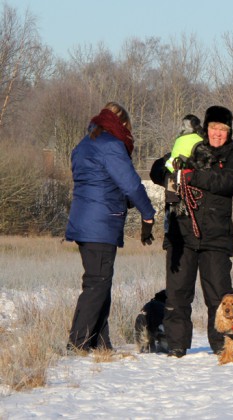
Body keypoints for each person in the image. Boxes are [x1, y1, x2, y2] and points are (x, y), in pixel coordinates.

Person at [66, 102, 156, 352]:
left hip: (84, 221)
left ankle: (100, 343)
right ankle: (78, 344)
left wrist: (122, 200)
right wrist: (148, 214)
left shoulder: (84, 145)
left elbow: (100, 182)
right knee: (97, 284)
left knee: (97, 282)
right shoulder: (111, 145)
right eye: (128, 127)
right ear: (121, 123)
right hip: (100, 223)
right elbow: (132, 185)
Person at [160, 105, 233, 358]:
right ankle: (176, 344)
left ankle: (222, 344)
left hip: (216, 238)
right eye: (213, 128)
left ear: (229, 132)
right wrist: (166, 173)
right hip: (182, 235)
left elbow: (230, 181)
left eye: (222, 129)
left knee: (219, 295)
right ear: (205, 129)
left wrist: (193, 177)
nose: (217, 133)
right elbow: (163, 169)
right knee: (177, 293)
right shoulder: (188, 148)